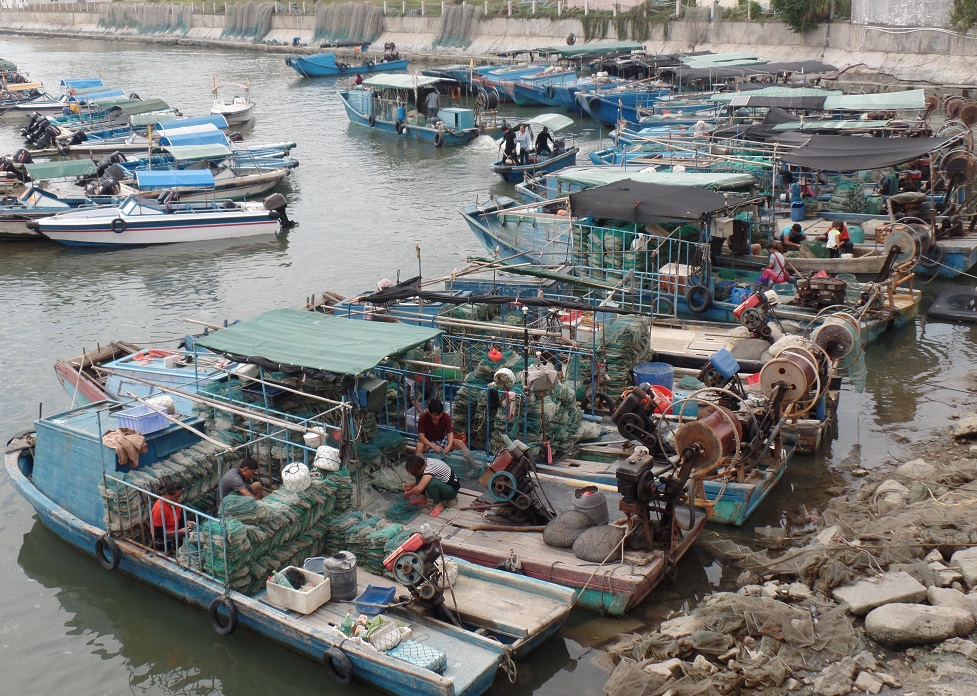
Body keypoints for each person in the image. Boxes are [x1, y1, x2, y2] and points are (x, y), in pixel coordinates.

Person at [152, 481, 191, 551]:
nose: (178, 499)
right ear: (167, 495)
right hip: (162, 539)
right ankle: (178, 554)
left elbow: (180, 514)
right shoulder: (159, 510)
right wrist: (178, 531)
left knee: (193, 516)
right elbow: (159, 533)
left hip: (175, 528)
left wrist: (188, 522)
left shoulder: (174, 502)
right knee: (177, 536)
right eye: (176, 497)